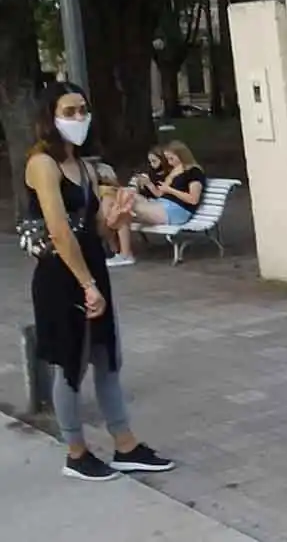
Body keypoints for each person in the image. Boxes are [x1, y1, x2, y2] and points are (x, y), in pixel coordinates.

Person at [24, 81, 174, 481]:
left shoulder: (87, 168)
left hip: (92, 269)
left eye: (83, 110)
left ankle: (125, 445)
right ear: (50, 117)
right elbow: (59, 231)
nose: (79, 118)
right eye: (69, 111)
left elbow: (98, 231)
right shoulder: (42, 164)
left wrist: (117, 217)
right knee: (70, 365)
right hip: (61, 276)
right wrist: (87, 285)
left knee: (108, 359)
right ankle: (76, 452)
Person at [115, 140, 206, 229]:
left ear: (181, 155)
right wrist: (149, 183)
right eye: (167, 159)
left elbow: (193, 199)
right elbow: (160, 193)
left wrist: (170, 190)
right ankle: (117, 219)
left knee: (129, 207)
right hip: (161, 203)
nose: (169, 162)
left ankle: (115, 221)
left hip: (178, 210)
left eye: (171, 158)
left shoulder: (194, 171)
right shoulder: (175, 170)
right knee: (124, 192)